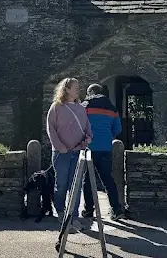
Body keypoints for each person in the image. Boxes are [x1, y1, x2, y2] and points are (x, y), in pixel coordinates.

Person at [46, 77, 92, 231]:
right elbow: (51, 129)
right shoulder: (56, 107)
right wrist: (60, 147)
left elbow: (87, 128)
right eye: (75, 87)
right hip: (61, 153)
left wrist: (87, 140)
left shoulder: (81, 108)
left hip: (78, 152)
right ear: (66, 89)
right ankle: (60, 211)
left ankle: (73, 216)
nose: (78, 89)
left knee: (76, 186)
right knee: (61, 185)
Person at [80, 83, 131, 221]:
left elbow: (78, 125)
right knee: (108, 180)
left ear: (90, 92)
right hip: (105, 148)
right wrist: (108, 137)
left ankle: (89, 210)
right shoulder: (112, 108)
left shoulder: (84, 106)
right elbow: (117, 129)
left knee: (87, 181)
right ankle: (116, 209)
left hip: (88, 148)